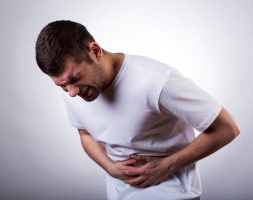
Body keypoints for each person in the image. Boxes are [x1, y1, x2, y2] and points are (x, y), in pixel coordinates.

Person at [35, 20, 240, 200]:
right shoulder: (72, 89)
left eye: (74, 79)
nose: (71, 92)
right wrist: (109, 166)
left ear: (95, 51)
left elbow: (227, 128)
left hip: (171, 192)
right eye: (61, 86)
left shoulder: (157, 81)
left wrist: (164, 166)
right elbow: (85, 132)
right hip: (118, 193)